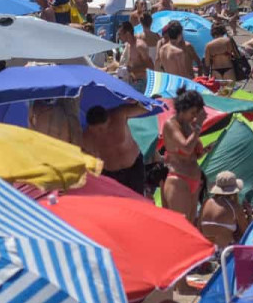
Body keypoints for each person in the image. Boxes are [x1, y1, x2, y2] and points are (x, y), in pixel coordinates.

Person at [83, 102, 149, 196]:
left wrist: (151, 100)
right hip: (110, 174)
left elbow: (145, 108)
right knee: (117, 206)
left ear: (109, 120)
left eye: (102, 128)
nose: (101, 132)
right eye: (97, 130)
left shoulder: (119, 115)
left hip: (133, 167)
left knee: (138, 200)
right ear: (90, 127)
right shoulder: (86, 137)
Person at [160, 90, 206, 222]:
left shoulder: (189, 125)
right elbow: (186, 148)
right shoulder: (171, 124)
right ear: (183, 110)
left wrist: (203, 150)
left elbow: (193, 153)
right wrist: (198, 126)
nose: (195, 116)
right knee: (181, 224)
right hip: (178, 180)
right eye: (193, 113)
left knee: (191, 225)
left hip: (194, 179)